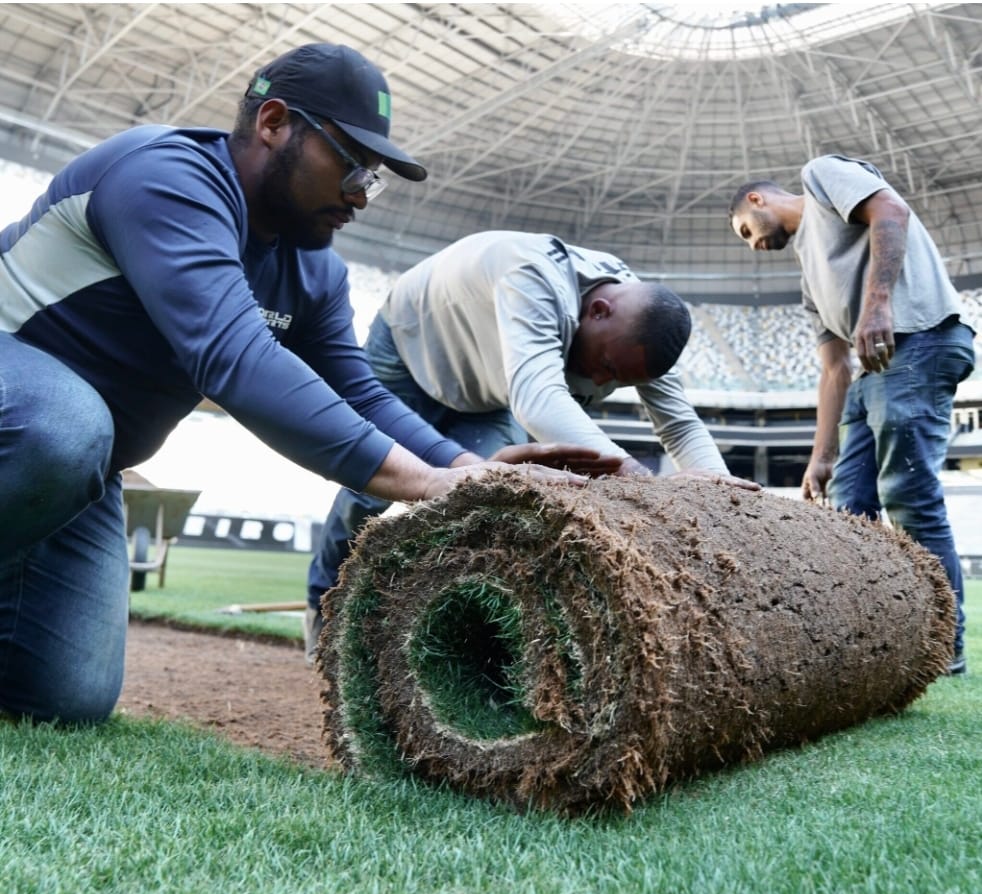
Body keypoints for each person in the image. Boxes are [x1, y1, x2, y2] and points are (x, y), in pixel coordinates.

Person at [0, 44, 603, 724]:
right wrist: (427, 484)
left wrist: (473, 469)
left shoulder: (315, 272)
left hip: (81, 468)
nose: (360, 196)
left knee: (65, 700)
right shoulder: (166, 176)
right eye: (351, 163)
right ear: (274, 123)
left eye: (373, 179)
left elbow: (361, 395)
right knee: (66, 425)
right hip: (36, 423)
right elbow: (236, 359)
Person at [305, 229, 759, 662]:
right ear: (598, 310)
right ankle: (321, 607)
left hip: (486, 392)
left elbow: (679, 425)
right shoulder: (532, 274)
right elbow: (538, 401)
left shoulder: (642, 327)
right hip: (410, 348)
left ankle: (453, 631)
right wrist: (645, 484)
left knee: (483, 496)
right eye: (604, 366)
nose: (602, 382)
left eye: (618, 380)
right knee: (370, 490)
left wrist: (718, 494)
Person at [728, 154, 976, 676]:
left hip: (920, 339)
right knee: (849, 513)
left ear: (758, 200)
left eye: (747, 230)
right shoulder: (808, 274)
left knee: (909, 496)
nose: (753, 244)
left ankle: (942, 647)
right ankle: (871, 643)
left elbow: (891, 210)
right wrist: (821, 456)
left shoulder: (820, 176)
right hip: (870, 373)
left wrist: (878, 303)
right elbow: (834, 368)